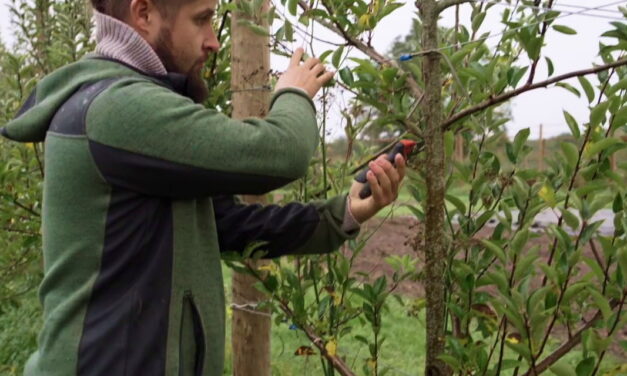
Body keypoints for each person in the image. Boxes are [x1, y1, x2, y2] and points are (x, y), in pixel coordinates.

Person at [0, 0, 406, 374]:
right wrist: (294, 95)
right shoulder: (118, 108)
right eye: (201, 19)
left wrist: (346, 212)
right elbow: (282, 153)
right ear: (143, 13)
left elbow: (226, 224)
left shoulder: (131, 107)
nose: (213, 41)